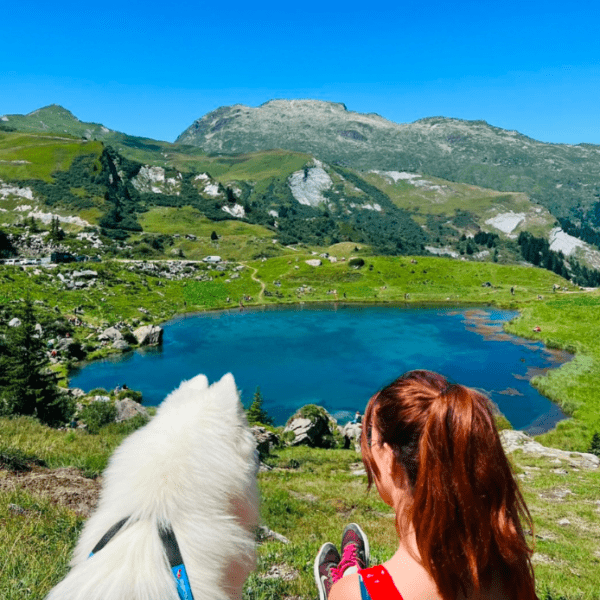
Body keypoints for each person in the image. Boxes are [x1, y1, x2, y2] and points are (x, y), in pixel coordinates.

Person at [315, 370, 538, 600]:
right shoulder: (510, 569)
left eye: (371, 437)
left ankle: (349, 571)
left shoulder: (352, 593)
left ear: (391, 460)